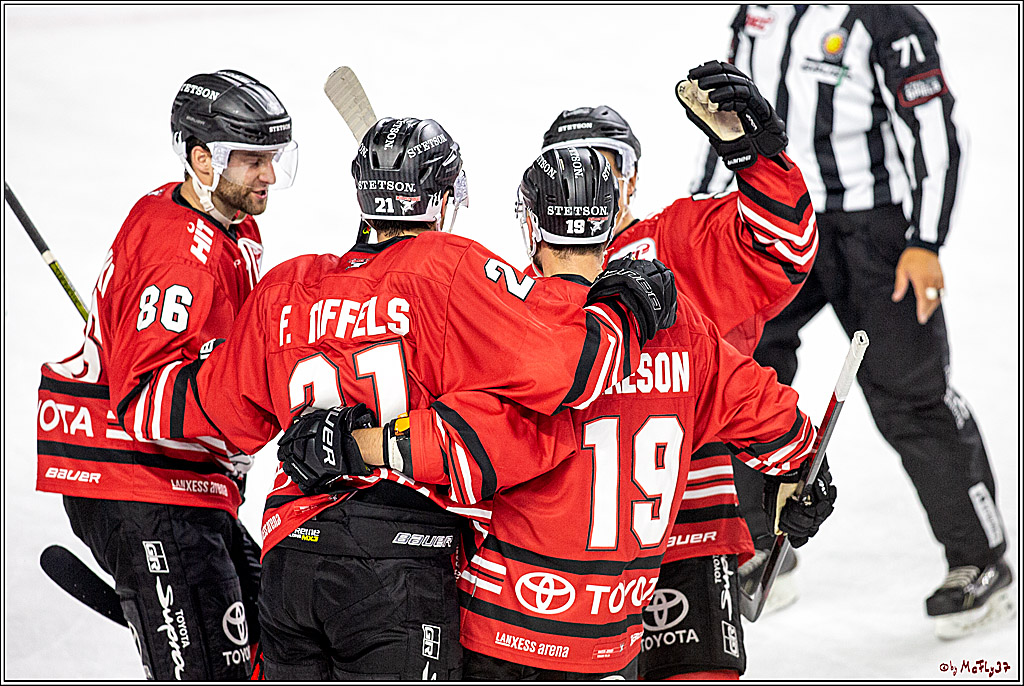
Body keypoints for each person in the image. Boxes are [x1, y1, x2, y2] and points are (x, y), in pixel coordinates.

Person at [106, 116, 676, 680]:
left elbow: (197, 413)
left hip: (291, 556)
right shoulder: (451, 269)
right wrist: (618, 308)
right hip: (399, 561)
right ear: (446, 197)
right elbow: (568, 371)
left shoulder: (285, 286)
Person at [276, 143, 837, 679]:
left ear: (528, 224)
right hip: (610, 640)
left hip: (499, 625)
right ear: (613, 214)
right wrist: (803, 476)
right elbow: (780, 424)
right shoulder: (685, 333)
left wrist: (352, 444)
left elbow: (462, 446)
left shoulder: (515, 329)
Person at [690, 5, 1013, 640]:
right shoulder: (756, 12)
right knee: (738, 377)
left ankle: (979, 559)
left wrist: (926, 241)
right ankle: (757, 548)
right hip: (774, 225)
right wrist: (702, 211)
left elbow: (937, 131)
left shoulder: (887, 21)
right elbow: (723, 123)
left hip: (875, 235)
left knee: (910, 394)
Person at [527, 62, 818, 677]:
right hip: (567, 547)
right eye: (570, 162)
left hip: (687, 523)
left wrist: (752, 155)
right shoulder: (528, 283)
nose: (591, 178)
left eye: (605, 162)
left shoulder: (682, 238)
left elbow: (784, 247)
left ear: (632, 179)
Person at [35, 69, 298, 679]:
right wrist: (259, 388)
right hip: (141, 484)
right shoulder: (182, 261)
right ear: (202, 159)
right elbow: (147, 403)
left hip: (183, 483)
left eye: (273, 157)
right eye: (251, 160)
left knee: (272, 645)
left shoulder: (218, 220)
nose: (269, 176)